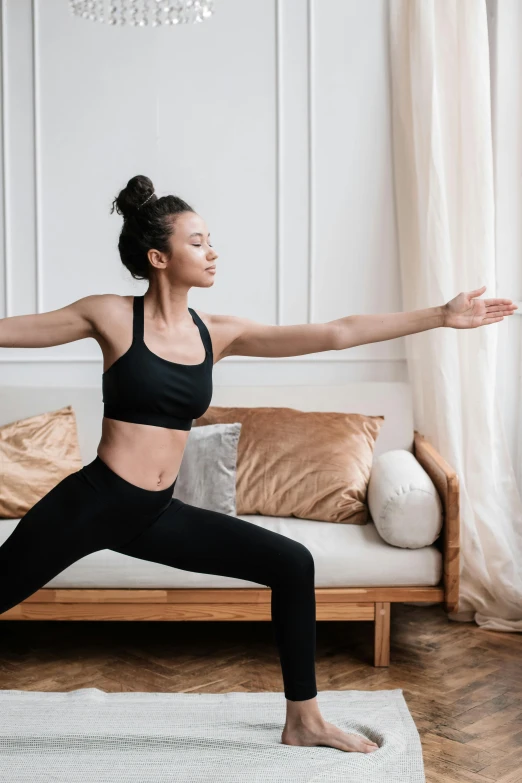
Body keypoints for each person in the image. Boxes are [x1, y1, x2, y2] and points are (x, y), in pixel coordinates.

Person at [0, 175, 516, 754]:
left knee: (291, 563)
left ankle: (305, 720)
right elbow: (6, 332)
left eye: (209, 239)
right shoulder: (110, 316)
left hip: (151, 513)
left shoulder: (217, 333)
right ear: (158, 257)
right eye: (197, 242)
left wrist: (440, 316)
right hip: (92, 503)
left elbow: (336, 332)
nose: (212, 251)